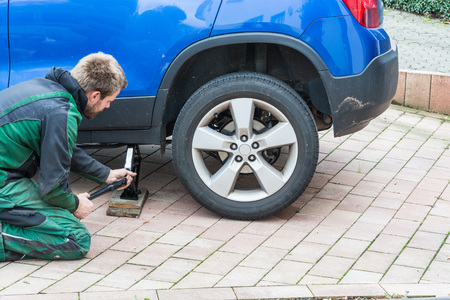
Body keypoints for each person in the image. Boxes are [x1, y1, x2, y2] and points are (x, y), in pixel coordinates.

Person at [0, 52, 136, 261]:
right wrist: (74, 204)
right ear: (94, 95)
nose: (108, 106)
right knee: (76, 239)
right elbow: (52, 189)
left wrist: (105, 174)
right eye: (109, 100)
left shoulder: (47, 91)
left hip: (6, 174)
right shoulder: (62, 112)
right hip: (4, 182)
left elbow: (62, 148)